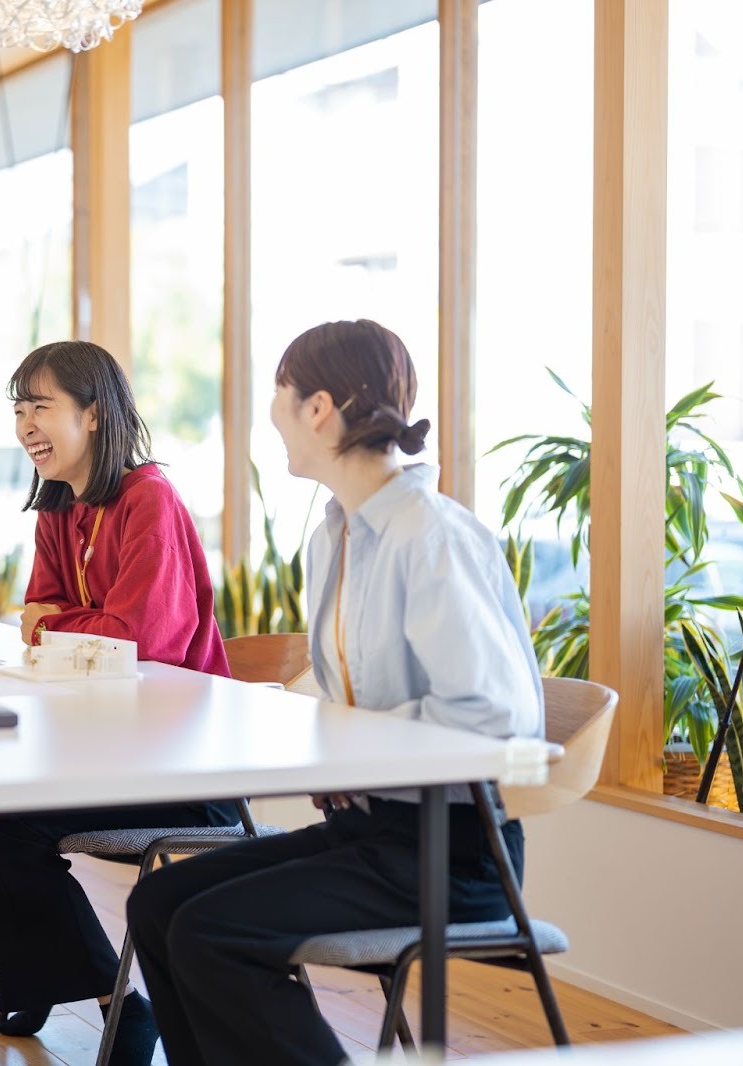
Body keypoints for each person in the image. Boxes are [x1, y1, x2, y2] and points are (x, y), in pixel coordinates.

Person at [126, 319, 545, 1066]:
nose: (273, 414)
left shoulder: (432, 537)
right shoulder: (334, 536)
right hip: (369, 833)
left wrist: (350, 751)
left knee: (210, 932)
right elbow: (342, 691)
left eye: (279, 394)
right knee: (159, 904)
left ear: (317, 408)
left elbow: (491, 719)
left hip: (453, 856)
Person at [0, 340, 239, 1066]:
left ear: (95, 414)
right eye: (19, 410)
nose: (26, 426)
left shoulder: (150, 499)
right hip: (103, 747)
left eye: (41, 407)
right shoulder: (58, 507)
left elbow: (138, 640)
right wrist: (66, 625)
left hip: (181, 765)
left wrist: (58, 624)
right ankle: (49, 976)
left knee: (9, 834)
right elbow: (37, 620)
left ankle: (119, 1005)